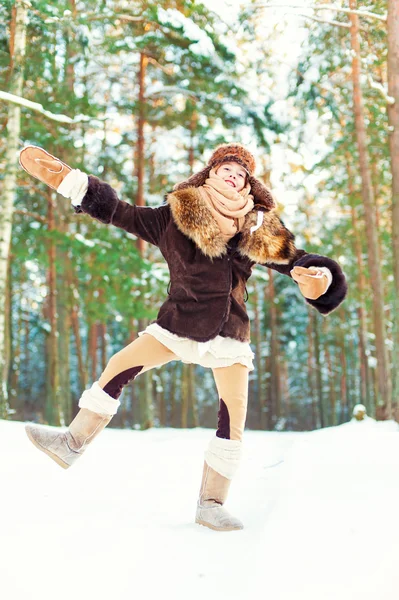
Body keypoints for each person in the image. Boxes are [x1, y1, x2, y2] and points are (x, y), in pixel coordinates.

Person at [19, 143, 347, 532]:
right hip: (179, 323)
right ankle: (71, 443)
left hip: (229, 332)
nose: (233, 176)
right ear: (210, 172)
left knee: (233, 417)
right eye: (227, 169)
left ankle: (211, 504)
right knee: (119, 365)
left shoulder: (257, 227)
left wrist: (318, 277)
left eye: (241, 175)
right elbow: (123, 213)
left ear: (249, 185)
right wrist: (75, 183)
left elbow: (296, 259)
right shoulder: (174, 216)